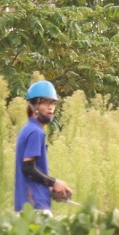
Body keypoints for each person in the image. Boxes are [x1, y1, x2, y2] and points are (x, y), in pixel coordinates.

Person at [14, 80, 72, 213]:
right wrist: (54, 183)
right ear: (33, 106)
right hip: (35, 206)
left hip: (26, 205)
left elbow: (33, 171)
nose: (50, 107)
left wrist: (50, 188)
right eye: (44, 103)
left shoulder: (27, 129)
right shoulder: (35, 132)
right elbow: (28, 168)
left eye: (52, 103)